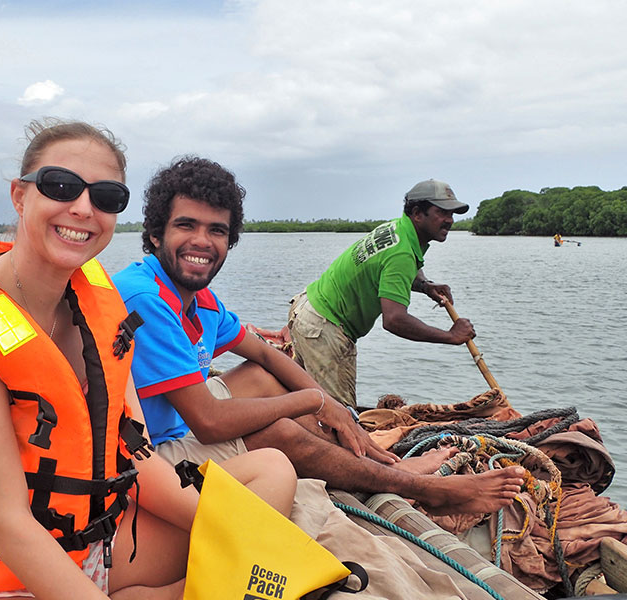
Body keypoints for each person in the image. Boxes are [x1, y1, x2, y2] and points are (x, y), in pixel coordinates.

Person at [0, 120, 296, 600]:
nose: (83, 208)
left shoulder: (100, 313)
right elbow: (6, 522)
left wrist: (235, 528)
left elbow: (134, 456)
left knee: (272, 472)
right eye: (60, 186)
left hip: (88, 544)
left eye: (105, 196)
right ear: (20, 197)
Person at [113, 158, 525, 517]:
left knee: (267, 377)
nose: (202, 241)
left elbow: (268, 357)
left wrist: (336, 412)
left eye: (216, 231)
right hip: (146, 452)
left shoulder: (198, 296)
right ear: (154, 235)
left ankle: (380, 461)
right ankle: (422, 489)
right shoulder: (146, 298)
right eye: (186, 225)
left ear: (230, 239)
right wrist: (315, 400)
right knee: (281, 431)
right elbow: (208, 422)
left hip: (179, 416)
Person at [288, 178, 476, 409]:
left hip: (308, 310)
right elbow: (395, 320)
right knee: (339, 418)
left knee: (305, 406)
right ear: (418, 213)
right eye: (442, 212)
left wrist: (425, 286)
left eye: (452, 214)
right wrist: (451, 336)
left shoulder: (397, 229)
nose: (450, 220)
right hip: (324, 328)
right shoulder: (402, 253)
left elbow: (392, 270)